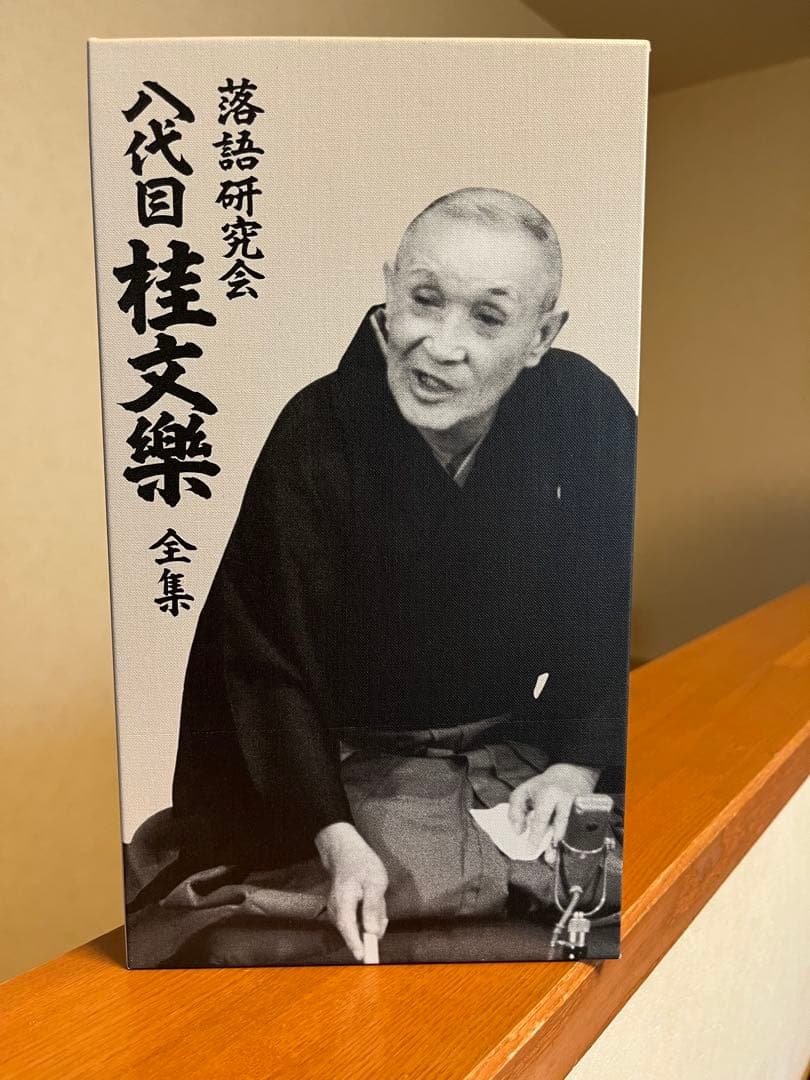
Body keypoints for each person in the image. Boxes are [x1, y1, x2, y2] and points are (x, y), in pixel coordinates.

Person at [125, 188, 635, 967]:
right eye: (425, 300)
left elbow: (621, 601)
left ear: (541, 336)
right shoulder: (316, 434)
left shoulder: (582, 412)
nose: (442, 345)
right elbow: (264, 662)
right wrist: (336, 839)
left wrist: (576, 765)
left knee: (630, 874)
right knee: (324, 906)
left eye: (488, 318)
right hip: (354, 772)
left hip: (518, 758)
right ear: (390, 291)